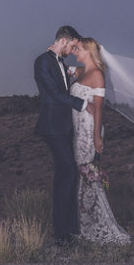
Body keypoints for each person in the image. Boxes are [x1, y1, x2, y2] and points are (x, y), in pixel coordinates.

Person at [68, 37, 131, 244]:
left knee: (86, 173)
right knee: (78, 174)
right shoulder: (80, 71)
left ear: (88, 51)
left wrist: (97, 137)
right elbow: (64, 70)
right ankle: (81, 224)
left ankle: (98, 225)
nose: (75, 52)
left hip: (88, 129)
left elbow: (99, 108)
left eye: (78, 49)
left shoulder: (97, 75)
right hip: (76, 128)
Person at [33, 25, 89, 245]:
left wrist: (77, 73)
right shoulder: (42, 61)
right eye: (72, 46)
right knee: (69, 171)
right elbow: (53, 94)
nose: (72, 50)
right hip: (51, 127)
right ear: (64, 41)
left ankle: (64, 232)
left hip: (64, 128)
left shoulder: (61, 63)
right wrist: (81, 103)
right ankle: (63, 232)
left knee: (64, 176)